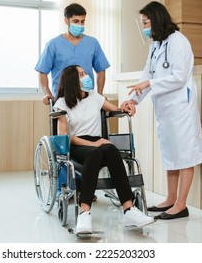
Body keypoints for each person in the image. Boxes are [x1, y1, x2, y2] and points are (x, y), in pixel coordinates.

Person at [120, 1, 202, 220]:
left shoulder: (179, 42)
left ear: (157, 19)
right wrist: (133, 101)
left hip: (180, 109)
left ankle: (181, 204)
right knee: (171, 154)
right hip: (166, 110)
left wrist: (149, 84)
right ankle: (170, 198)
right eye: (142, 23)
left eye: (147, 22)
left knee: (185, 155)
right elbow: (146, 75)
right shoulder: (156, 45)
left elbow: (178, 77)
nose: (144, 27)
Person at [54, 65, 154, 234]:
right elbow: (65, 136)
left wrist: (127, 106)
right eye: (81, 74)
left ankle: (129, 210)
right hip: (77, 144)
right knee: (96, 152)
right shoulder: (62, 103)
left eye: (85, 72)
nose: (86, 76)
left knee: (111, 149)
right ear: (72, 80)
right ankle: (84, 213)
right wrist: (93, 144)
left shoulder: (94, 96)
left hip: (97, 142)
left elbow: (116, 109)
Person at [35, 3, 110, 105]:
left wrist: (100, 93)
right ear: (66, 21)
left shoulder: (92, 43)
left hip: (87, 97)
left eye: (82, 21)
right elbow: (42, 71)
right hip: (62, 99)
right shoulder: (53, 44)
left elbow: (101, 70)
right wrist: (47, 93)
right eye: (75, 21)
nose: (80, 25)